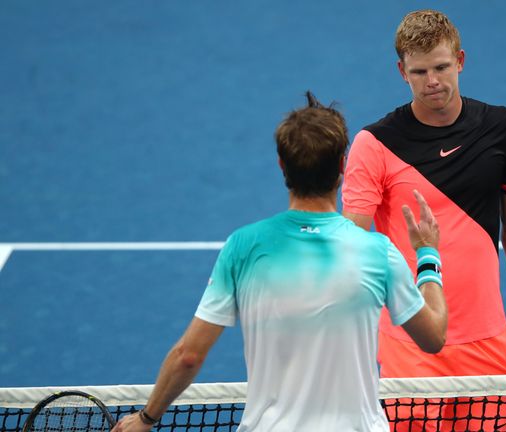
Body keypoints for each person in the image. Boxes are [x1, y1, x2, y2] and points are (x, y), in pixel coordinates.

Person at [112, 92, 447, 432]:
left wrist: (146, 418)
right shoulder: (377, 250)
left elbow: (188, 355)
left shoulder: (242, 247)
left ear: (282, 165)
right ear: (343, 166)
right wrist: (427, 254)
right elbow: (433, 337)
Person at [342, 9, 506, 430]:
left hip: (488, 343)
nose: (432, 81)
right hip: (410, 343)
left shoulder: (501, 128)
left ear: (460, 61)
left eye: (442, 67)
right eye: (420, 71)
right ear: (401, 72)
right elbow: (351, 246)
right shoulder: (374, 145)